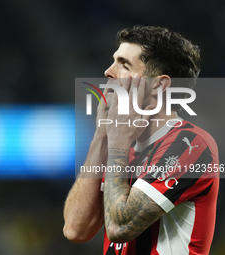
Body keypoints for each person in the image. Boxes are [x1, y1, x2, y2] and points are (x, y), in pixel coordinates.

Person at [63, 25, 219, 255]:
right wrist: (102, 136)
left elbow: (120, 227)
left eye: (123, 65)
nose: (108, 72)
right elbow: (76, 229)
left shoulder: (192, 145)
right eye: (113, 61)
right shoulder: (122, 143)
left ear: (159, 85)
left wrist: (116, 144)